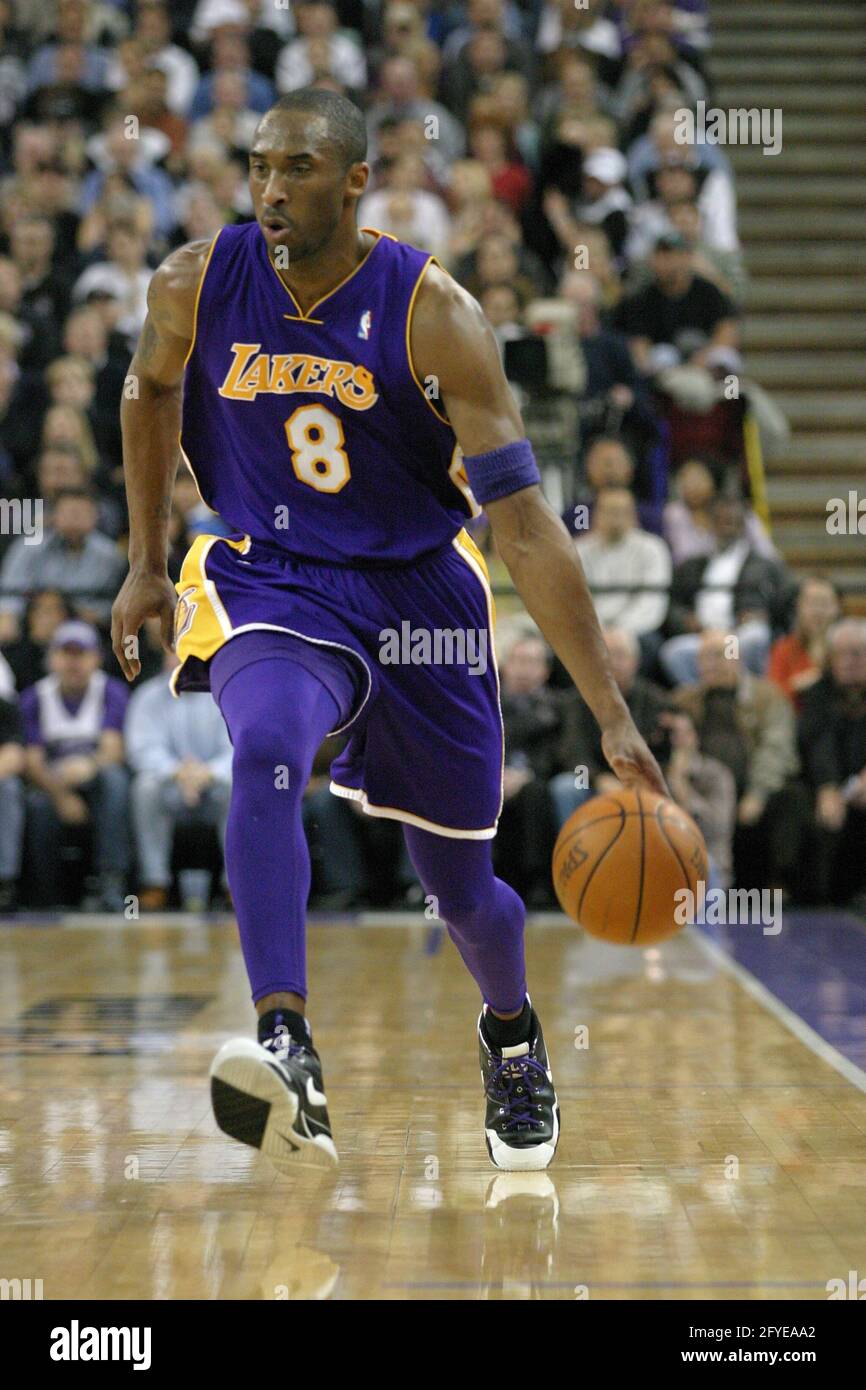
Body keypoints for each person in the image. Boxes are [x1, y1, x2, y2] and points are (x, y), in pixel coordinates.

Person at [111, 89, 665, 1175]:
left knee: (463, 892)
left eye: (301, 167)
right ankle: (287, 1041)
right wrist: (142, 561)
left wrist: (609, 711)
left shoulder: (433, 313)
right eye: (261, 164)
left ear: (356, 181)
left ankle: (508, 1031)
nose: (272, 187)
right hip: (273, 578)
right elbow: (147, 391)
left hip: (421, 596)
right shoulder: (192, 281)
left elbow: (524, 525)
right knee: (265, 751)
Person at [20, 619, 130, 910]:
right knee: (37, 805)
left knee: (115, 781)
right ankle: (46, 896)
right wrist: (62, 795)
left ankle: (111, 881)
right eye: (65, 654)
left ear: (95, 658)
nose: (73, 663)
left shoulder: (110, 691)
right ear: (52, 658)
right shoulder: (34, 697)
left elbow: (113, 750)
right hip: (51, 784)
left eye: (80, 654)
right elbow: (32, 762)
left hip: (93, 780)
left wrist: (89, 766)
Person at [125, 651, 233, 912]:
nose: (181, 659)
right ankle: (155, 882)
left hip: (215, 787)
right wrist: (178, 772)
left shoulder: (228, 691)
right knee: (145, 788)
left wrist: (207, 773)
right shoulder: (148, 695)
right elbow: (141, 749)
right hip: (171, 788)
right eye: (174, 652)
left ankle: (235, 884)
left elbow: (239, 748)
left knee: (239, 787)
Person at [798, 619, 866, 907]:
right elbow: (817, 743)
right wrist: (828, 787)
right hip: (829, 784)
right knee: (809, 809)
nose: (849, 662)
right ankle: (818, 900)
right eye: (841, 654)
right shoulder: (818, 694)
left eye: (857, 653)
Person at [768, 575, 840, 710]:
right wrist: (797, 685)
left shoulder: (849, 650)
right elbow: (772, 699)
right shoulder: (784, 649)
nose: (818, 611)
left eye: (824, 603)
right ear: (798, 607)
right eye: (812, 603)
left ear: (837, 607)